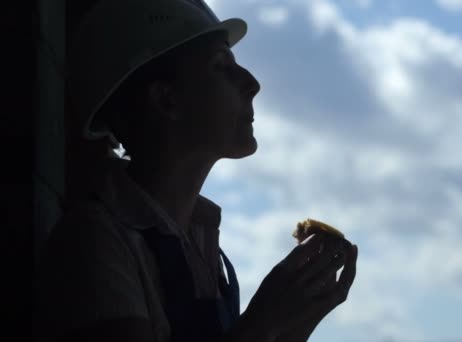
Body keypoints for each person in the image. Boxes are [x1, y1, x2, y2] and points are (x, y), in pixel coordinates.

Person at [33, 0, 358, 341]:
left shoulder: (202, 247)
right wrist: (264, 322)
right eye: (222, 66)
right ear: (166, 100)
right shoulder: (93, 245)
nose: (251, 83)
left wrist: (292, 327)